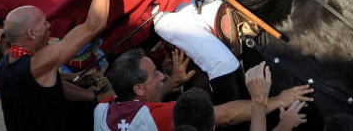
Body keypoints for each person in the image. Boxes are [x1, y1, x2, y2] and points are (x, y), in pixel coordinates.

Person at [0, 0, 111, 131]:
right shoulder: (38, 62)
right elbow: (95, 24)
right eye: (44, 24)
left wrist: (82, 86)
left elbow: (49, 86)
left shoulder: (8, 60)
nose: (50, 26)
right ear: (31, 34)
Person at [94, 48, 314, 130]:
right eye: (156, 74)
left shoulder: (102, 110)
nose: (163, 75)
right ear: (139, 89)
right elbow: (226, 116)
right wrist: (277, 100)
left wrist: (172, 83)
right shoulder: (157, 117)